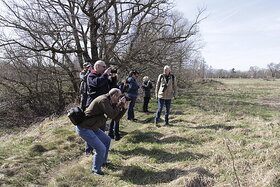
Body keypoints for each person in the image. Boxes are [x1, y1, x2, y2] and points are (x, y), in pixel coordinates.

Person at [76, 88, 130, 176]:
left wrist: (124, 108)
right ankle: (95, 170)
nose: (120, 99)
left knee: (107, 140)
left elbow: (116, 118)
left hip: (92, 127)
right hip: (85, 128)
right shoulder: (103, 100)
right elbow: (112, 114)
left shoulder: (111, 102)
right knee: (101, 148)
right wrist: (120, 104)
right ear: (113, 95)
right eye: (119, 97)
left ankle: (102, 162)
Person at [85, 60, 117, 155]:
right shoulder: (91, 75)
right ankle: (89, 150)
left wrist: (113, 76)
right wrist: (106, 75)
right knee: (91, 128)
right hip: (93, 107)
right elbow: (97, 83)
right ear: (98, 66)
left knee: (101, 128)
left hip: (103, 106)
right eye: (103, 67)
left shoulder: (103, 76)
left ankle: (100, 148)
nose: (105, 69)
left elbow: (112, 86)